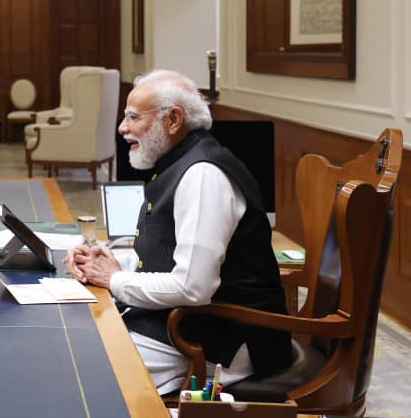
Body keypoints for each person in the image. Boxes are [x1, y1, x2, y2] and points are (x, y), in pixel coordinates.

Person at [66, 69, 290, 394]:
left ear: (173, 120)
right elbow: (169, 256)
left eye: (132, 117)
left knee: (84, 368)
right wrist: (111, 263)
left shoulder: (203, 175)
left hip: (221, 341)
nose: (122, 127)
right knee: (82, 339)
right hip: (186, 323)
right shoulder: (179, 162)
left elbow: (193, 287)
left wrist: (113, 280)